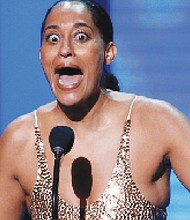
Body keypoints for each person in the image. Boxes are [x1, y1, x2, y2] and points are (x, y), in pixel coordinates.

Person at [0, 0, 189, 219]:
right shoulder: (19, 141)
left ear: (108, 52)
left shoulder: (157, 122)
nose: (65, 50)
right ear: (41, 55)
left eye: (81, 37)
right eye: (53, 38)